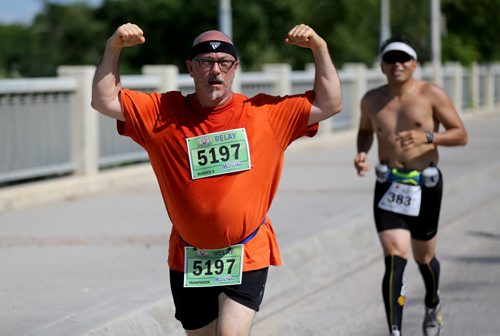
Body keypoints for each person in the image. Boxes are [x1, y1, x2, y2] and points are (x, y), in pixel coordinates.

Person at [92, 22, 341, 335]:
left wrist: (319, 48)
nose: (216, 71)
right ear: (190, 68)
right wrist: (113, 47)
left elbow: (330, 103)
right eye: (206, 63)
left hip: (246, 251)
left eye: (224, 63)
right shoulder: (162, 112)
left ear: (235, 69)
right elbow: (103, 100)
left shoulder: (264, 112)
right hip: (189, 256)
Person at [353, 37, 467, 336]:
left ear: (414, 64)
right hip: (389, 186)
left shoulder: (432, 95)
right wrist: (362, 153)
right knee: (394, 257)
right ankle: (395, 331)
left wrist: (428, 138)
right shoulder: (372, 100)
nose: (397, 65)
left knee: (424, 258)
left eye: (404, 59)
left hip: (425, 184)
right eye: (391, 59)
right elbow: (366, 131)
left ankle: (432, 304)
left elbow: (461, 134)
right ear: (382, 66)